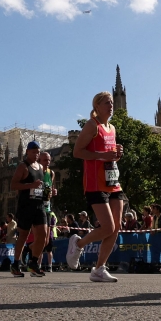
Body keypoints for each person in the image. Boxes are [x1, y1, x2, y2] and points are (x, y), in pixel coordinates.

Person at [66, 92, 122, 283]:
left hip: (112, 180)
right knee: (108, 226)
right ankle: (78, 243)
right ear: (97, 106)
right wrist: (102, 155)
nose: (111, 105)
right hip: (95, 182)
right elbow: (77, 152)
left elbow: (109, 155)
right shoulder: (92, 125)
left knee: (116, 227)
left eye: (112, 102)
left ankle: (99, 269)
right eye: (107, 102)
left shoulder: (112, 128)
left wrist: (116, 154)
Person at [11, 142, 50, 278]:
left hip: (39, 205)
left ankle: (33, 263)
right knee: (23, 236)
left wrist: (49, 193)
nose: (36, 154)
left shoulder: (40, 167)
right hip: (26, 205)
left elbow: (41, 187)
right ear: (27, 152)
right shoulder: (23, 166)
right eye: (33, 152)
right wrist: (31, 185)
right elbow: (13, 185)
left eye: (38, 152)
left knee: (43, 235)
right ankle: (16, 263)